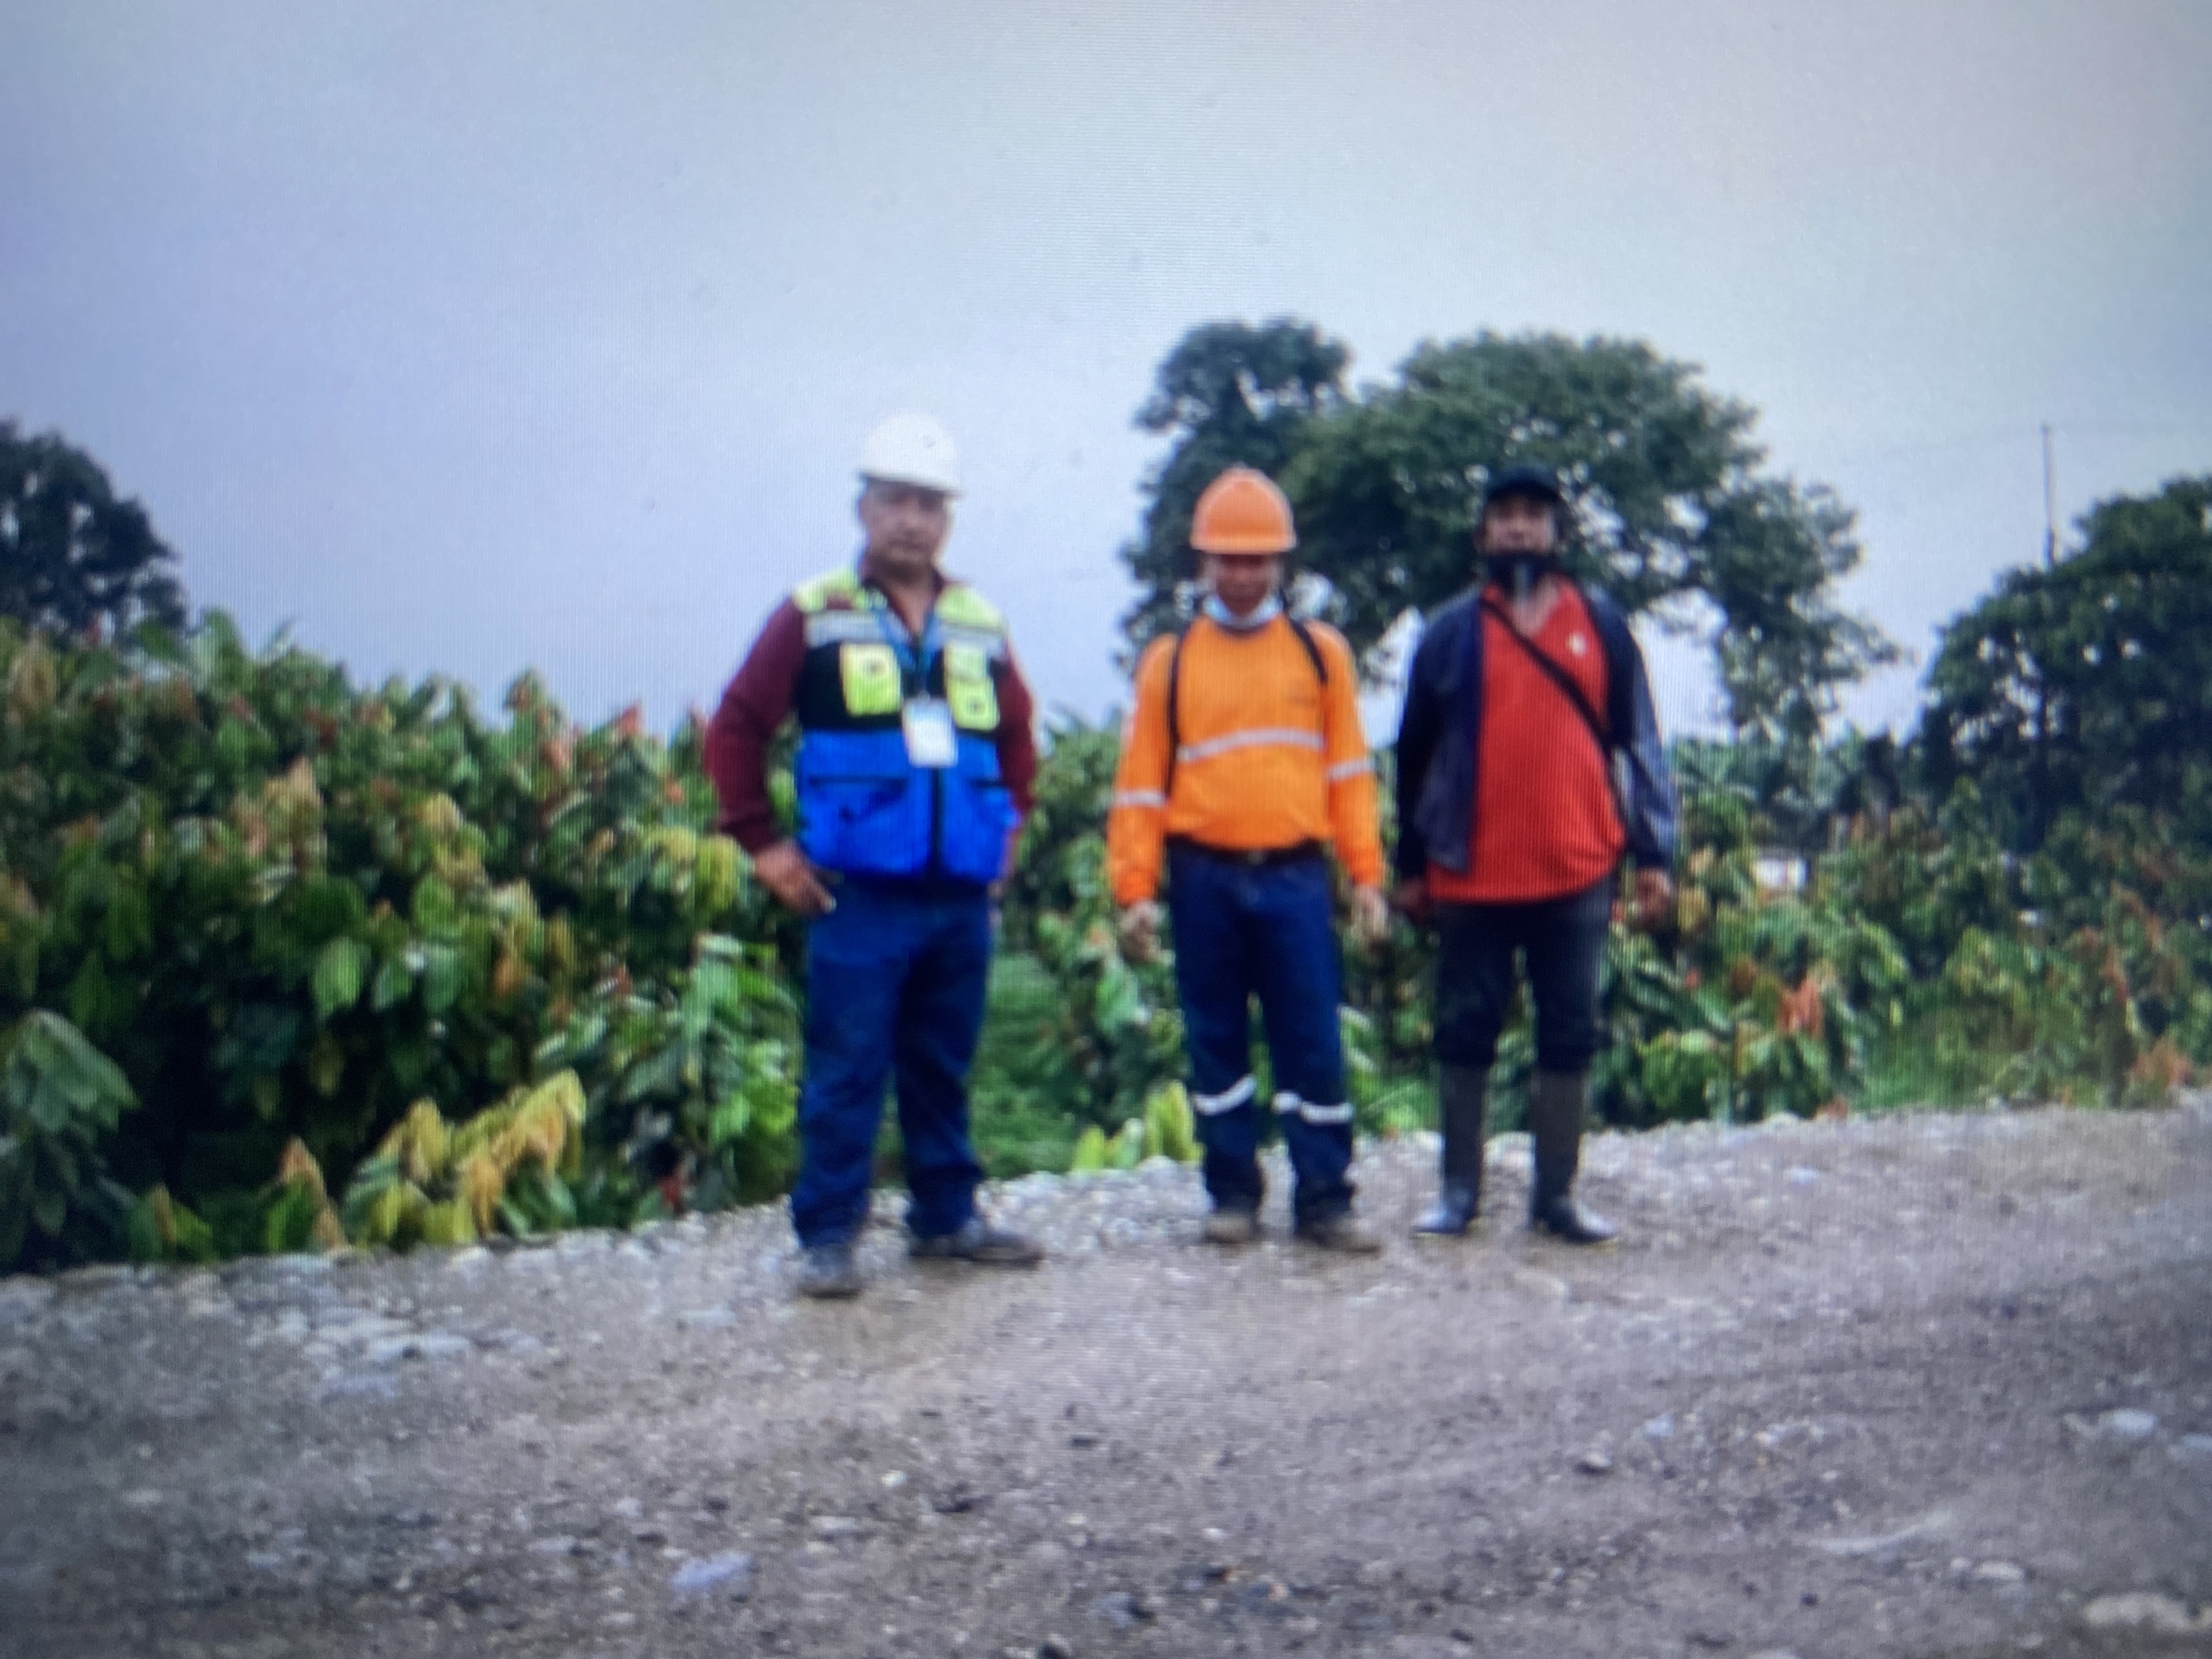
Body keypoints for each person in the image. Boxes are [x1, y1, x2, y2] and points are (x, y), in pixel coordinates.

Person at [704, 414, 1046, 1299]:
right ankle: (827, 1235)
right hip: (858, 893)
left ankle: (946, 1218)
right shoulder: (814, 614)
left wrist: (1006, 835)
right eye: (895, 501)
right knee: (847, 1067)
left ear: (948, 520)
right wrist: (762, 844)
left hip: (959, 894)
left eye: (929, 505)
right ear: (864, 508)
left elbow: (1018, 740)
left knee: (943, 1065)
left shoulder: (978, 622)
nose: (911, 521)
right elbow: (736, 727)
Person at [1105, 466, 1391, 1253]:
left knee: (1313, 1039)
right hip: (1204, 877)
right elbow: (1140, 787)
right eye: (1227, 559)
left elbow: (1350, 775)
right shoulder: (1170, 663)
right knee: (1215, 1038)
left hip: (1296, 877)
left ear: (1280, 563)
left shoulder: (1320, 655)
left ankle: (1326, 1199)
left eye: (1256, 558)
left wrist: (1366, 877)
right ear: (1203, 563)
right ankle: (1232, 1194)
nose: (1241, 574)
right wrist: (1135, 889)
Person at [1392, 464, 1677, 1244]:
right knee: (1465, 1030)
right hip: (1471, 877)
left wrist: (1654, 856)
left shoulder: (1602, 626)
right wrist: (1410, 868)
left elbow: (1640, 743)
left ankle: (1557, 1198)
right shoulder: (1449, 634)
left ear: (1557, 532)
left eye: (1534, 514)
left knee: (1570, 1031)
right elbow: (1413, 758)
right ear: (1483, 533)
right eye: (1505, 514)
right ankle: (1459, 1194)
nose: (1519, 527)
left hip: (1577, 871)